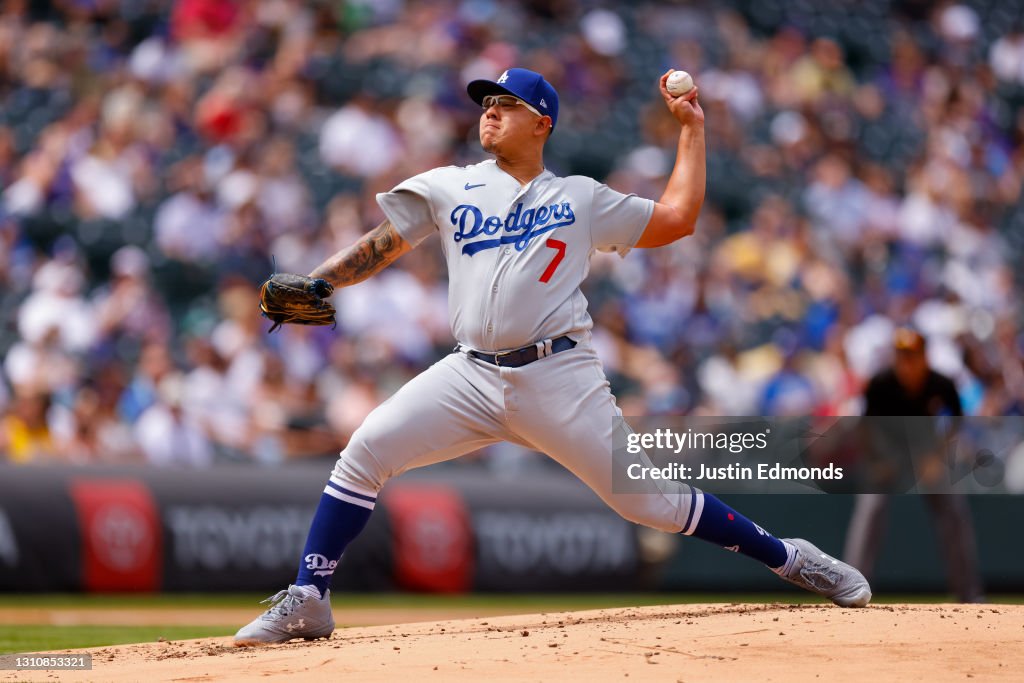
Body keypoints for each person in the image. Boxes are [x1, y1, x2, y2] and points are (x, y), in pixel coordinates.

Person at [234, 68, 871, 646]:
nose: (489, 112)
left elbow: (678, 218)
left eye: (506, 104)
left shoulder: (580, 198)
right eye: (485, 102)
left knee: (650, 504)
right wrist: (320, 283)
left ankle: (789, 556)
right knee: (364, 451)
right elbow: (383, 243)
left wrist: (692, 132)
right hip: (471, 371)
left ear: (542, 123)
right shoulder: (450, 186)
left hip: (558, 374)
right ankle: (309, 598)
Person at [843, 328, 984, 602]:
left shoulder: (940, 384)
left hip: (925, 453)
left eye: (912, 357)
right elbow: (865, 427)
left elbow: (956, 422)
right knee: (870, 509)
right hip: (890, 453)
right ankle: (851, 588)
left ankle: (969, 594)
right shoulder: (881, 383)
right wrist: (877, 461)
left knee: (954, 512)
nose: (906, 364)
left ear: (924, 358)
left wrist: (937, 457)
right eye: (901, 357)